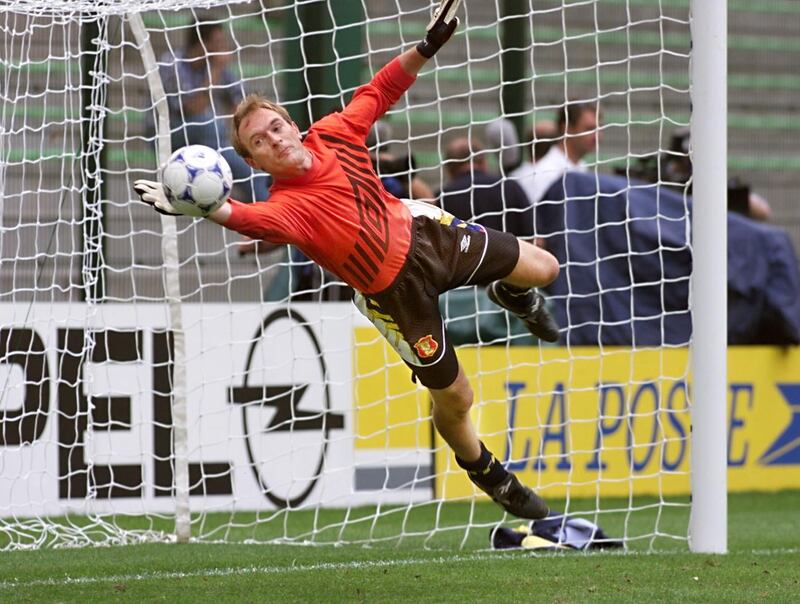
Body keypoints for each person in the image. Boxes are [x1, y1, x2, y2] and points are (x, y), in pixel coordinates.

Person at [135, 0, 559, 520]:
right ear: (253, 161)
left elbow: (379, 90)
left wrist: (426, 47)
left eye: (274, 127)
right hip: (395, 297)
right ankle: (488, 473)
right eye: (258, 142)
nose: (272, 138)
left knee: (546, 269)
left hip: (429, 235)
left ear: (291, 125)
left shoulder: (335, 131)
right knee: (458, 398)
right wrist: (200, 206)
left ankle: (509, 290)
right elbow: (245, 219)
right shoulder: (285, 205)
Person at [160, 19, 269, 202]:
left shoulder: (215, 65)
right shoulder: (172, 63)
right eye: (218, 42)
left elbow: (240, 104)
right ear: (202, 43)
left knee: (253, 170)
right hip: (169, 134)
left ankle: (264, 209)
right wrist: (217, 69)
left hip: (209, 139)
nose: (222, 48)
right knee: (206, 121)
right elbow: (193, 109)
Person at [438, 135, 533, 238]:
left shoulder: (443, 197)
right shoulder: (510, 187)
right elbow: (536, 237)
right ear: (483, 161)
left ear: (448, 169)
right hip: (512, 253)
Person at [511, 101, 599, 205]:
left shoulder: (582, 167)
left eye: (599, 129)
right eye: (589, 129)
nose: (597, 136)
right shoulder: (544, 173)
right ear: (566, 128)